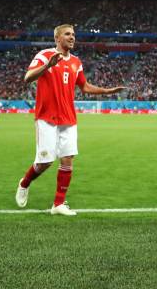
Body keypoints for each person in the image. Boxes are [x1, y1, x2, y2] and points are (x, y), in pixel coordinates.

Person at [15, 24, 126, 216]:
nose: (72, 37)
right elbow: (27, 78)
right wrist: (48, 65)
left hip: (68, 118)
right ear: (57, 38)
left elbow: (84, 87)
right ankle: (24, 183)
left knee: (67, 160)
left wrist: (107, 91)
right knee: (45, 163)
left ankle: (58, 204)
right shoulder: (44, 56)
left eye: (73, 34)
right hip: (47, 117)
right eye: (68, 34)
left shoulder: (76, 61)